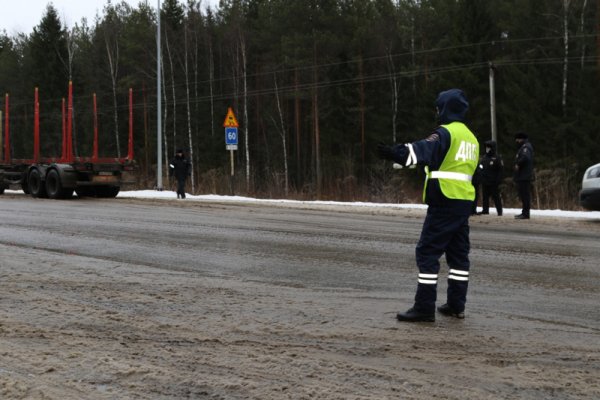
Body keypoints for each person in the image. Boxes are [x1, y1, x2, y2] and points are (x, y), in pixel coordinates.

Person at [377, 88, 479, 322]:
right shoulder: (471, 138)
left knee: (427, 252)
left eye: (438, 107)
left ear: (446, 108)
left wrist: (396, 153)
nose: (436, 111)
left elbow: (422, 150)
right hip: (463, 201)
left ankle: (424, 308)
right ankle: (456, 305)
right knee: (459, 256)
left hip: (444, 200)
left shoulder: (445, 133)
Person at [479, 140, 503, 216]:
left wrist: (498, 180)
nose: (487, 149)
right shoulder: (484, 157)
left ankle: (499, 211)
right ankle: (485, 210)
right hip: (485, 181)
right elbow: (481, 167)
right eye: (486, 147)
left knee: (496, 197)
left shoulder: (497, 158)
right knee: (485, 197)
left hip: (493, 181)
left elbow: (500, 170)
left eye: (489, 147)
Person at [513, 132, 534, 219]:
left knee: (525, 195)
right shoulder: (524, 147)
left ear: (521, 139)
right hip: (522, 175)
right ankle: (524, 212)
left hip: (524, 175)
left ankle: (526, 213)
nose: (516, 141)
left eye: (517, 139)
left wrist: (518, 164)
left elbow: (525, 157)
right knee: (523, 195)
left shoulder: (526, 147)